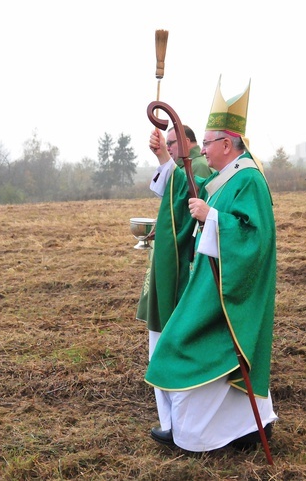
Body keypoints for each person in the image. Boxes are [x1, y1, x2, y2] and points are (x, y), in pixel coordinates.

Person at [144, 77, 278, 452]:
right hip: (212, 279)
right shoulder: (224, 178)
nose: (201, 149)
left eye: (205, 143)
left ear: (225, 144)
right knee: (194, 347)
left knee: (182, 343)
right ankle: (248, 428)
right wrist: (164, 160)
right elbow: (189, 191)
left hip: (230, 288)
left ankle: (201, 434)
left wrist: (213, 218)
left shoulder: (248, 179)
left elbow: (256, 237)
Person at [135, 124, 211, 432]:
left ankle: (175, 422)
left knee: (169, 342)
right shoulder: (184, 165)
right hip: (173, 260)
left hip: (182, 268)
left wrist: (164, 159)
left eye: (172, 143)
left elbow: (189, 194)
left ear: (187, 142)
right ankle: (173, 420)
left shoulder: (197, 165)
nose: (204, 149)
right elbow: (173, 200)